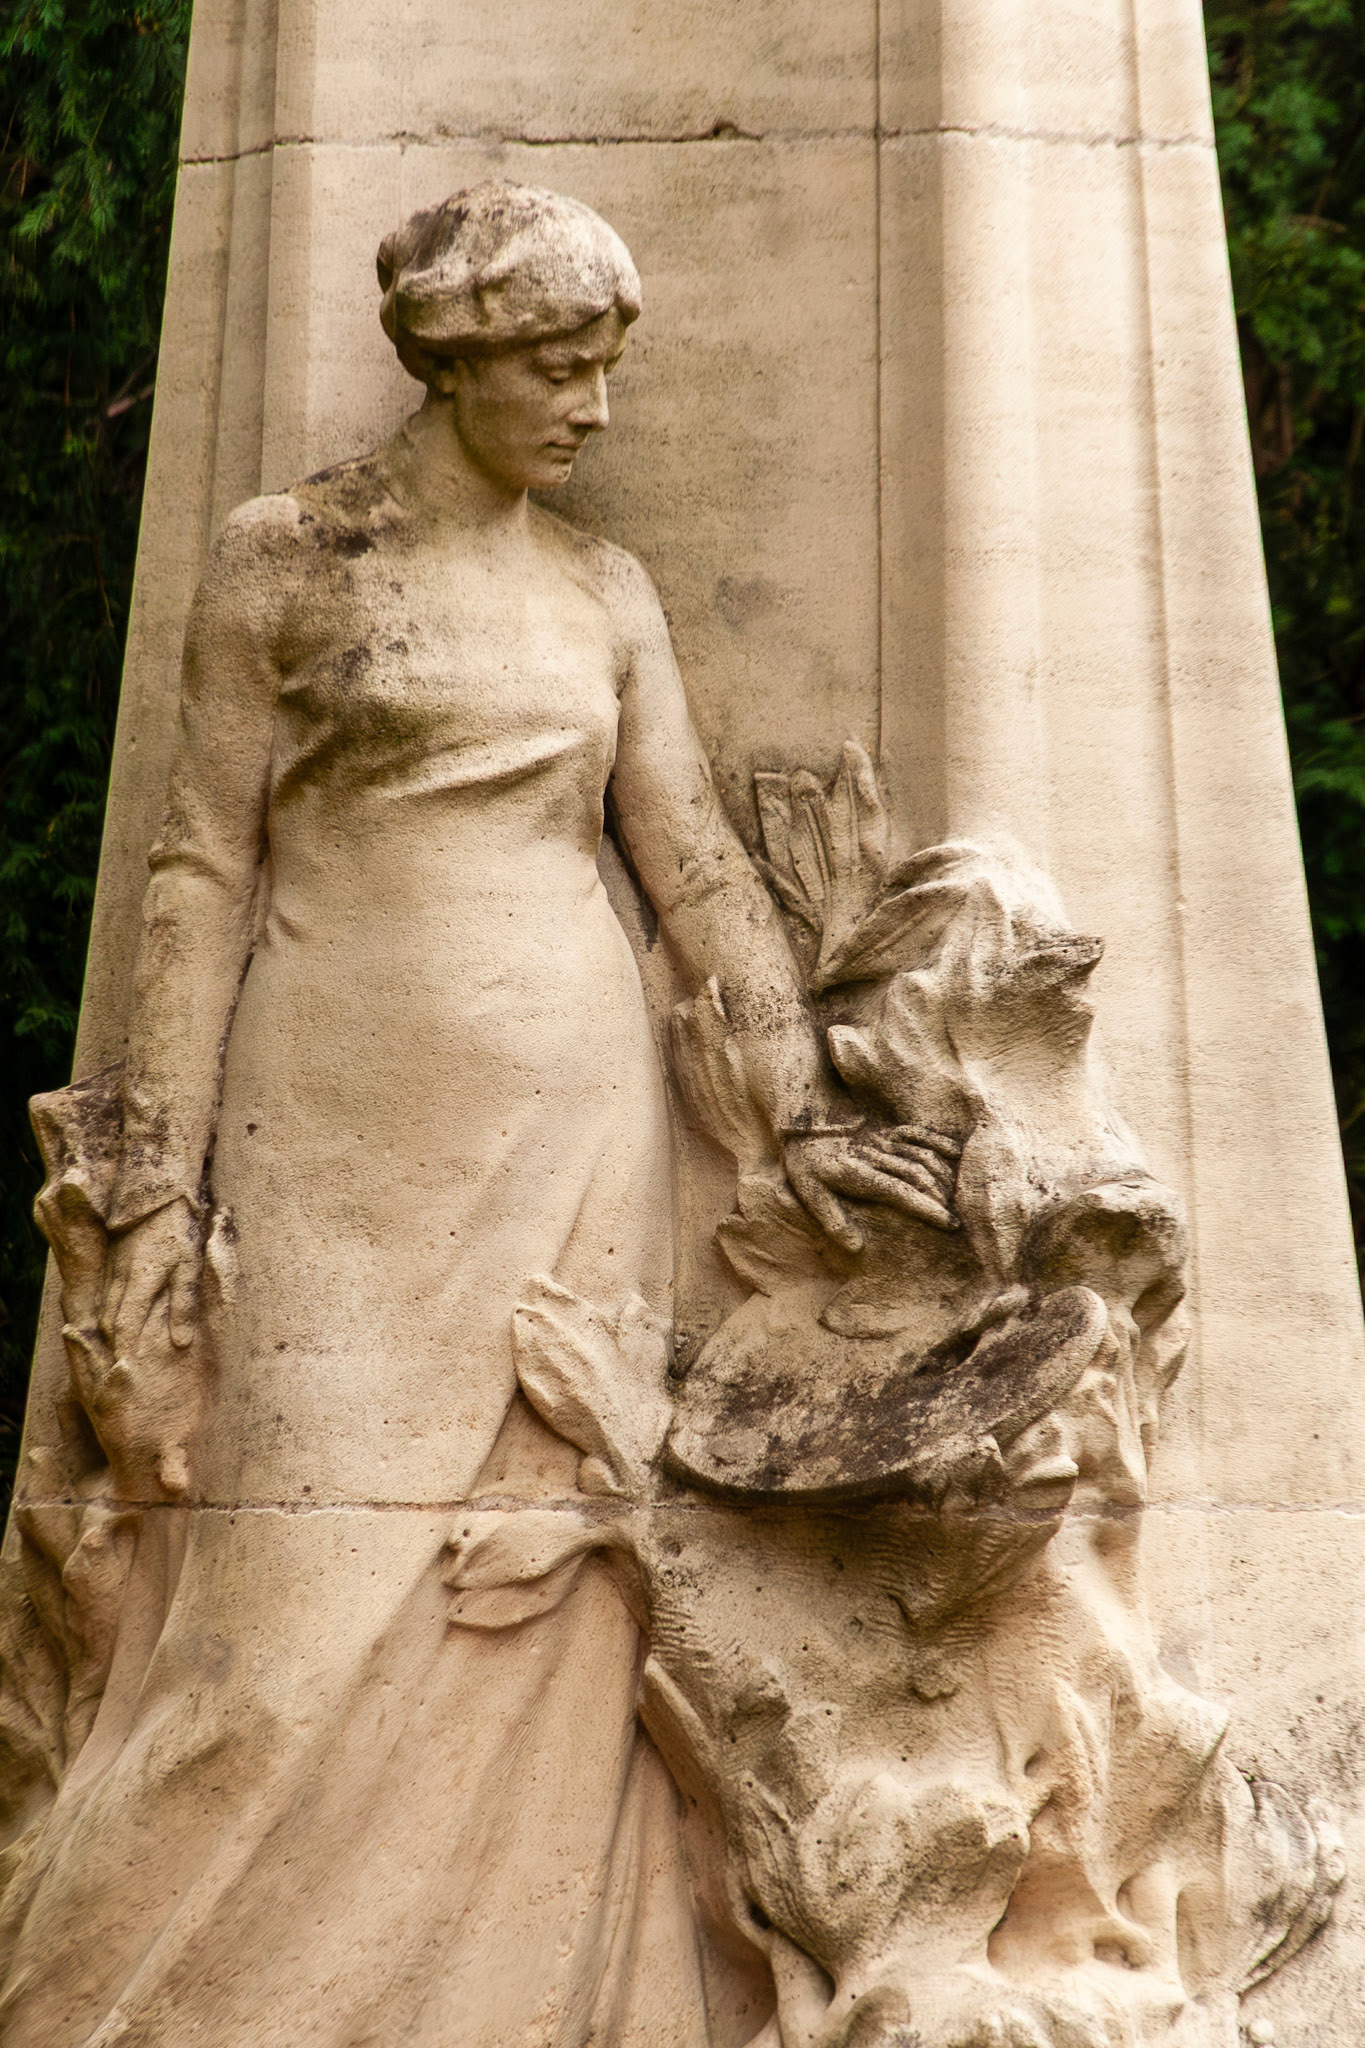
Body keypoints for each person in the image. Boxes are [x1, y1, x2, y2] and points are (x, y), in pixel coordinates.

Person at [0, 182, 941, 2047]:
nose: (590, 406)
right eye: (558, 367)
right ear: (457, 361)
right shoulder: (293, 562)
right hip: (337, 1115)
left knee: (537, 1587)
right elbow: (194, 870)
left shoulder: (603, 589)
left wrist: (792, 1097)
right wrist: (154, 1204)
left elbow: (689, 867)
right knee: (284, 1599)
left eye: (603, 367)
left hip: (573, 1117)